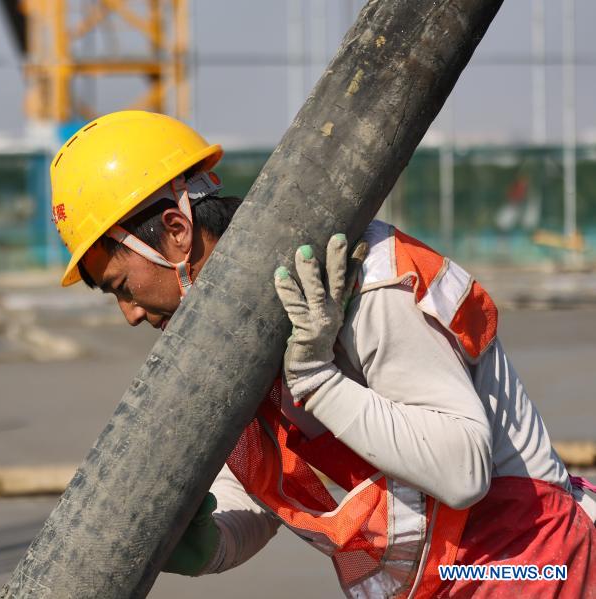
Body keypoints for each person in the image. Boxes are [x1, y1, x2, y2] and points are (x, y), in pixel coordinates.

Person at [49, 110, 596, 597]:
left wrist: (320, 380)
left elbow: (463, 470)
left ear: (176, 231)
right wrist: (202, 543)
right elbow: (261, 497)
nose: (130, 314)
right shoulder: (224, 341)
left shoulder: (367, 279)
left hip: (535, 568)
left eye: (122, 286)